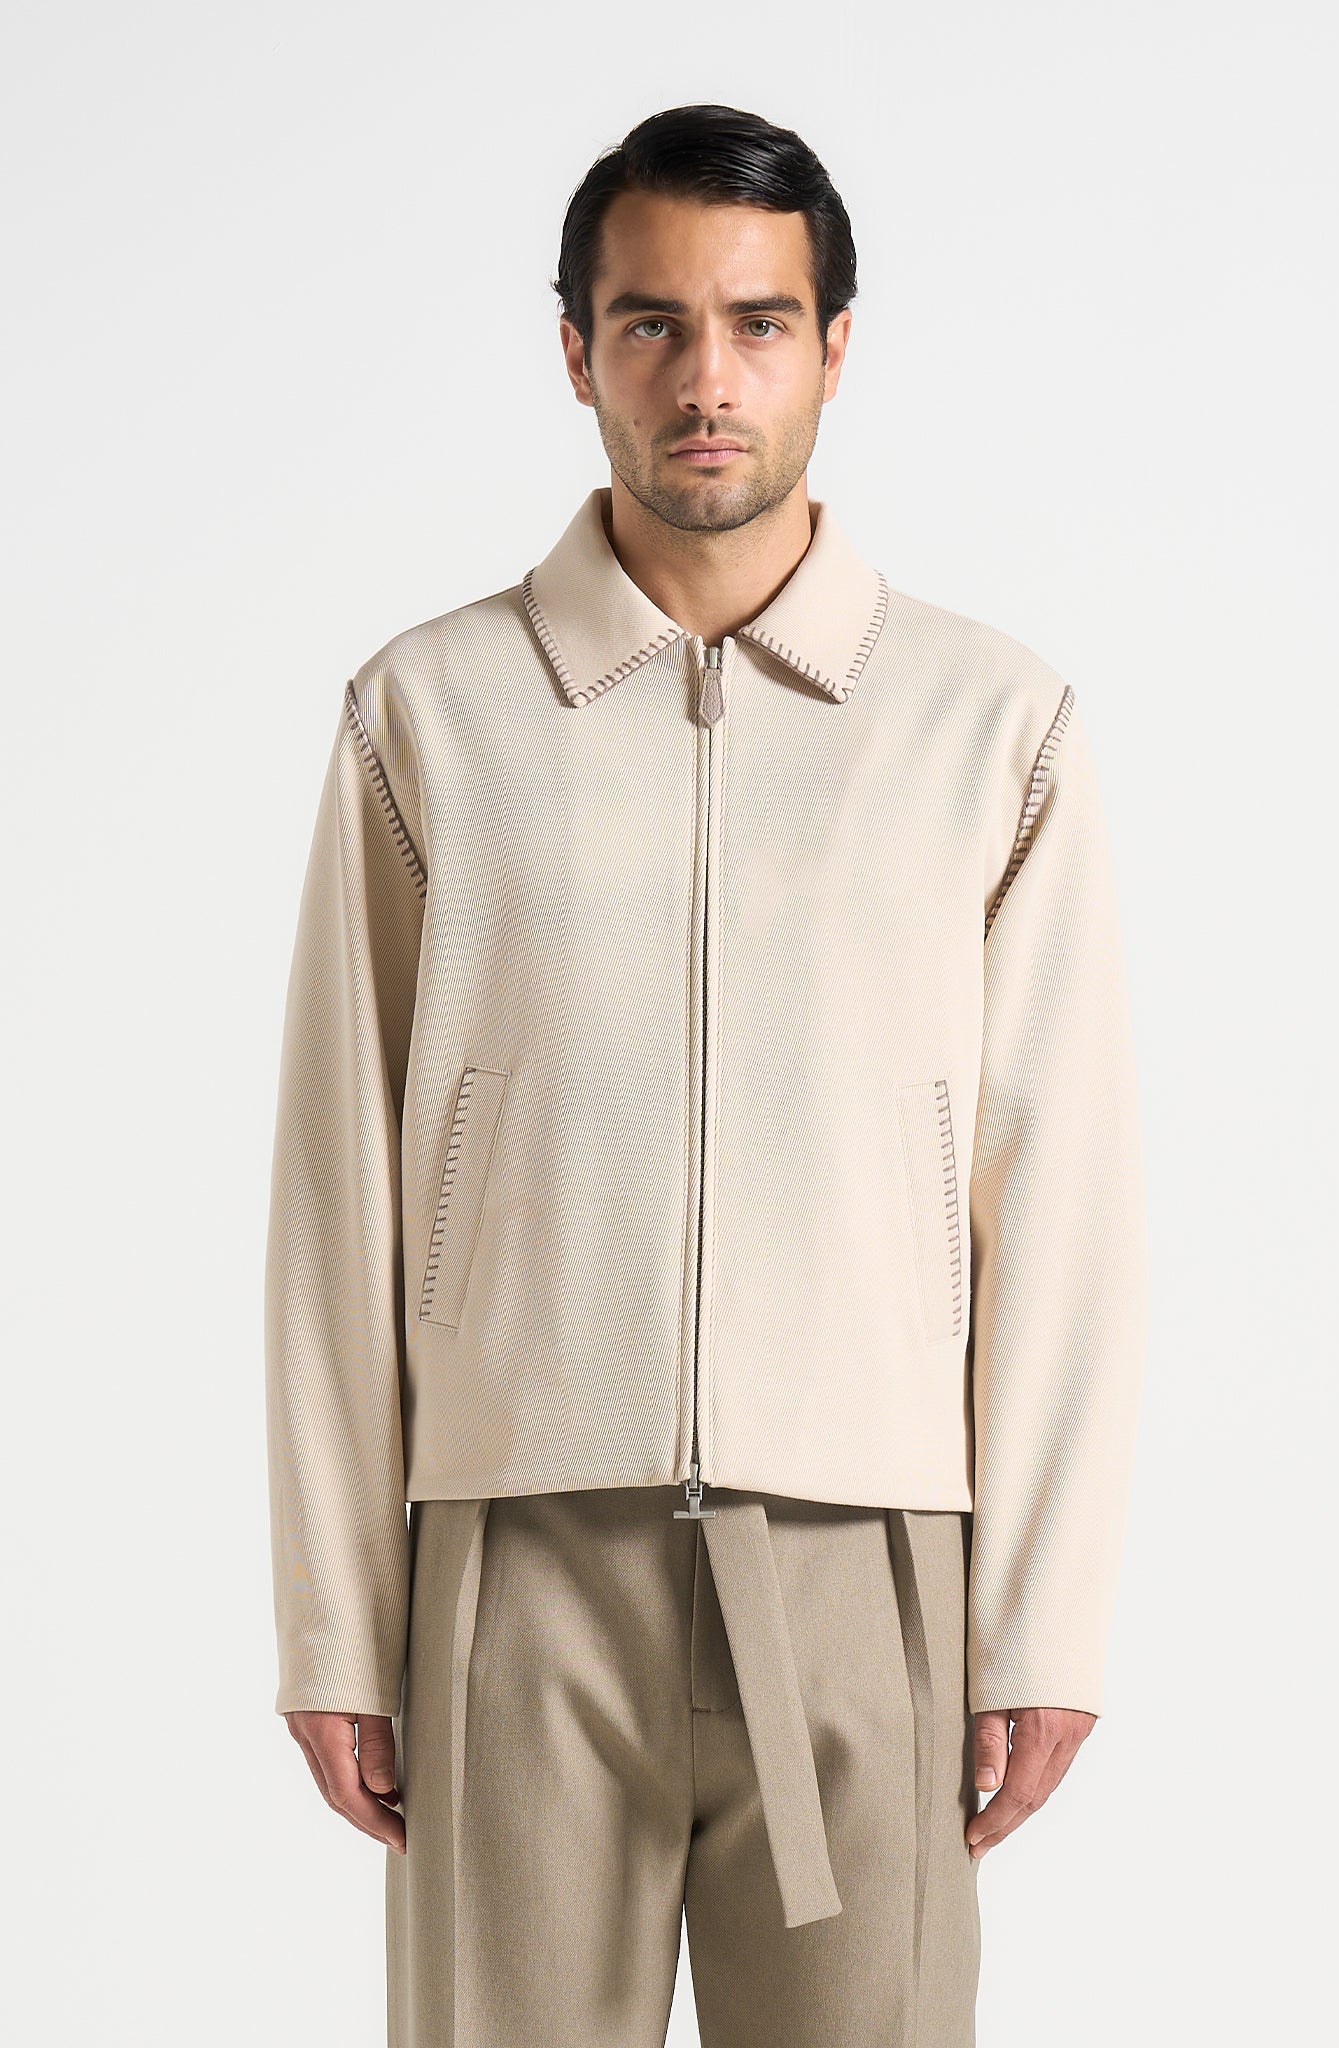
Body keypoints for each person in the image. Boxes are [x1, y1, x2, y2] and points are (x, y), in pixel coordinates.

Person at [264, 101, 1148, 2048]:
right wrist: (336, 1615)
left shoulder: (987, 724)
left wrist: (1040, 1614)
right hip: (515, 1565)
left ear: (835, 346)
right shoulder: (428, 715)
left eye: (758, 322)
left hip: (862, 1572)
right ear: (574, 350)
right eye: (650, 323)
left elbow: (1060, 1197)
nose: (705, 379)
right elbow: (340, 1190)